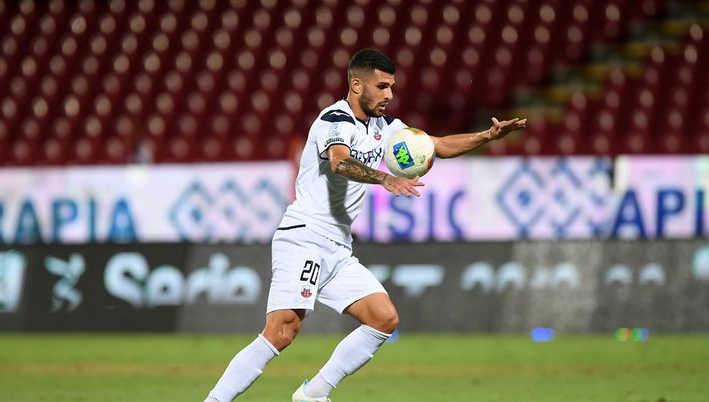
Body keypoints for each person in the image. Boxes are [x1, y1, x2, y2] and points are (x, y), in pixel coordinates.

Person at [204, 48, 527, 402]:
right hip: (305, 237)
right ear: (357, 85)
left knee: (383, 317)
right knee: (281, 331)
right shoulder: (334, 120)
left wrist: (486, 137)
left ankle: (313, 393)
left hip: (338, 247)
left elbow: (436, 145)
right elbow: (341, 162)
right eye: (382, 86)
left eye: (392, 87)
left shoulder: (385, 128)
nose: (389, 95)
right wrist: (384, 179)